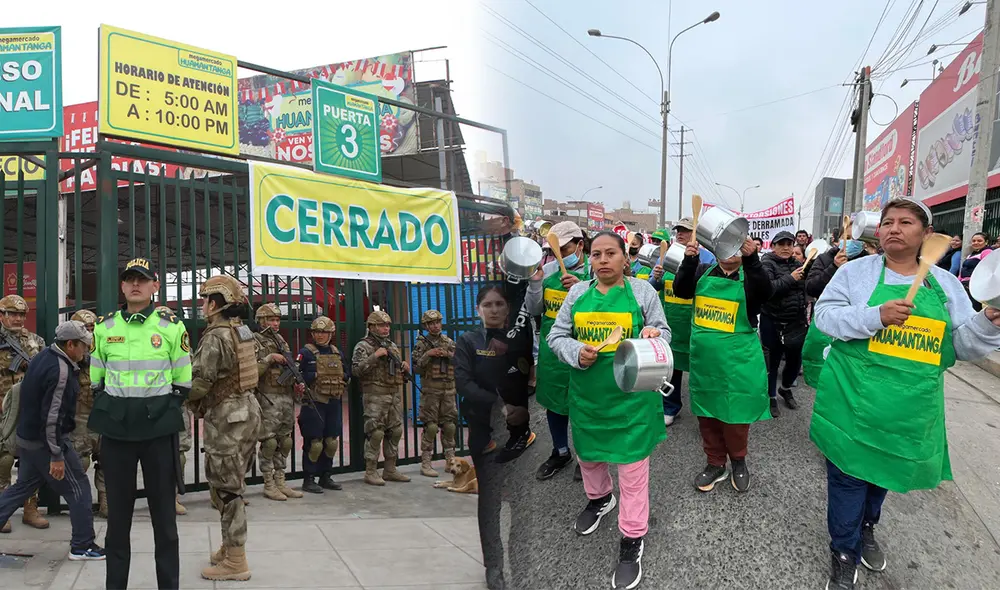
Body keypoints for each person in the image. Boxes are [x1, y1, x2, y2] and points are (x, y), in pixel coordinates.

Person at [810, 199, 1000, 590]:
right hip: (852, 403)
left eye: (906, 222)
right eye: (887, 222)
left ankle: (867, 529)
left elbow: (962, 345)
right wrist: (873, 316)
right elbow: (824, 316)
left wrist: (986, 322)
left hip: (908, 410)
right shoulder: (856, 274)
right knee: (847, 479)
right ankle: (843, 550)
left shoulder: (945, 284)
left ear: (926, 235)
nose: (894, 228)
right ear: (877, 231)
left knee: (882, 476)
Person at [548, 231, 671, 590]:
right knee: (589, 457)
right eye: (597, 254)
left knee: (633, 472)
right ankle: (600, 499)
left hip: (632, 400)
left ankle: (632, 538)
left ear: (624, 258)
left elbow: (664, 334)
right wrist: (576, 352)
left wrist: (652, 335)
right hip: (589, 397)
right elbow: (557, 336)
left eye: (610, 254)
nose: (602, 260)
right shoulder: (577, 294)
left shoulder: (643, 292)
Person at [88, 258, 192, 590]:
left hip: (157, 431)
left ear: (154, 286)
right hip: (118, 431)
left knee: (165, 520)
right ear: (122, 286)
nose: (136, 284)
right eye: (130, 279)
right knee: (118, 522)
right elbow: (95, 380)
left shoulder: (171, 327)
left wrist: (161, 410)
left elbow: (183, 380)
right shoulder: (104, 328)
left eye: (142, 280)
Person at [674, 237, 772, 493]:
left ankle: (738, 461)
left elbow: (765, 292)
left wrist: (752, 260)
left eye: (738, 247)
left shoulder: (750, 275)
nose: (731, 251)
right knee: (707, 415)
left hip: (738, 362)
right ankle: (715, 463)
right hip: (706, 362)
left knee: (736, 417)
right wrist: (689, 260)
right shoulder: (701, 272)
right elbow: (681, 290)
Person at [0, 321, 105, 559]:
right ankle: (82, 546)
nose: (86, 351)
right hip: (46, 444)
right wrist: (56, 455)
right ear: (70, 345)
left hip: (28, 440)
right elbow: (52, 418)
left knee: (23, 487)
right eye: (84, 346)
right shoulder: (61, 371)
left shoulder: (43, 356)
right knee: (79, 489)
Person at [455, 285, 534, 590]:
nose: (494, 309)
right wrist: (500, 407)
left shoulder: (520, 340)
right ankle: (494, 568)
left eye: (500, 303)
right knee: (491, 502)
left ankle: (521, 560)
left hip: (524, 432)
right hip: (485, 432)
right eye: (487, 304)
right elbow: (464, 384)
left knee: (521, 501)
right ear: (478, 309)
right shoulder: (468, 341)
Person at [185, 275, 262, 581]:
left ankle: (237, 560)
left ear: (214, 304)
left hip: (227, 420)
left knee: (227, 491)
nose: (202, 306)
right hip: (246, 413)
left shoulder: (215, 336)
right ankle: (229, 547)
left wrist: (177, 393)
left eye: (204, 300)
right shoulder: (241, 330)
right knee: (228, 486)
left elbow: (200, 381)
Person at [525, 221, 589, 481]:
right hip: (553, 356)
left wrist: (582, 289)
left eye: (566, 248)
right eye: (556, 250)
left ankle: (588, 457)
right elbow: (534, 310)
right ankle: (560, 451)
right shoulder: (548, 273)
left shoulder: (595, 276)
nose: (561, 255)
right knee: (555, 405)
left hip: (584, 354)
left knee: (583, 407)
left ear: (580, 246)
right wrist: (536, 284)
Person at [0, 294, 49, 533]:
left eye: (21, 314)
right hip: (3, 409)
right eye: (12, 314)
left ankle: (31, 508)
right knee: (4, 459)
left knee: (32, 459)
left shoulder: (35, 341)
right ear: (2, 316)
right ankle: (3, 510)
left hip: (29, 407)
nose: (17, 319)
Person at [352, 310, 412, 486]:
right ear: (371, 327)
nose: (386, 328)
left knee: (396, 431)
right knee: (375, 433)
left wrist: (404, 367)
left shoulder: (392, 345)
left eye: (387, 325)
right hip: (375, 395)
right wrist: (375, 356)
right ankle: (371, 471)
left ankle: (390, 469)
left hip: (393, 393)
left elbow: (397, 370)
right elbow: (356, 370)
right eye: (381, 325)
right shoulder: (363, 346)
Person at [650, 219, 699, 428]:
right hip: (671, 322)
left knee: (699, 368)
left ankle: (704, 410)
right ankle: (670, 407)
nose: (680, 234)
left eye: (686, 231)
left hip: (694, 323)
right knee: (671, 368)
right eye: (678, 230)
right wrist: (656, 277)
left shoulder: (705, 257)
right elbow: (653, 288)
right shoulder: (666, 256)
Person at [253, 303, 304, 501]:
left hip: (285, 397)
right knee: (269, 441)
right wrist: (269, 358)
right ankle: (268, 483)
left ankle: (280, 480)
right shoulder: (255, 340)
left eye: (277, 320)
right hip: (268, 397)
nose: (275, 323)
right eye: (272, 320)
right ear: (262, 321)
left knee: (285, 440)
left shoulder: (281, 341)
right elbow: (252, 371)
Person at [802, 234, 866, 389]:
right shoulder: (825, 259)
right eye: (848, 237)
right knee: (825, 375)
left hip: (859, 325)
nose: (852, 241)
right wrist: (833, 267)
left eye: (856, 237)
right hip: (828, 322)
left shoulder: (869, 261)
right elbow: (811, 287)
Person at [296, 315, 348, 492]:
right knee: (314, 443)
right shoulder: (306, 353)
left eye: (324, 332)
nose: (320, 336)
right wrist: (314, 376)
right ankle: (309, 479)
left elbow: (346, 374)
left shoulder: (336, 352)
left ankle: (326, 476)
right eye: (317, 332)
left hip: (333, 402)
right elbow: (296, 374)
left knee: (331, 442)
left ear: (331, 334)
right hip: (314, 403)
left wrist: (338, 379)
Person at [759, 231, 809, 416]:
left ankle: (785, 388)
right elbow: (768, 290)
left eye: (789, 244)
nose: (786, 248)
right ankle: (771, 396)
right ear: (773, 246)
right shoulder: (767, 263)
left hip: (795, 322)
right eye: (782, 244)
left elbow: (809, 286)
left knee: (795, 360)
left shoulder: (799, 264)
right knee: (772, 361)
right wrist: (792, 278)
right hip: (772, 320)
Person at [66, 310, 107, 520]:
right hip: (79, 416)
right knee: (80, 461)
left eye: (92, 329)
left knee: (108, 459)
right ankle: (79, 502)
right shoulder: (70, 354)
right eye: (85, 330)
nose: (90, 334)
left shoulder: (106, 349)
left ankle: (106, 501)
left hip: (103, 414)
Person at [411, 310, 458, 478]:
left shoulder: (449, 342)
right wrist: (428, 355)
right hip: (431, 391)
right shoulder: (421, 344)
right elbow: (416, 368)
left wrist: (448, 354)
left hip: (449, 390)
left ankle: (450, 460)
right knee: (430, 426)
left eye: (437, 322)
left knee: (450, 425)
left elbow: (460, 362)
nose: (435, 325)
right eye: (431, 323)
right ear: (426, 326)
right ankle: (426, 462)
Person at [155, 305, 190, 517]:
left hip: (176, 406)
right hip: (154, 407)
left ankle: (173, 495)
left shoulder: (181, 343)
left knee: (180, 454)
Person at [959, 232, 993, 311]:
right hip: (964, 285)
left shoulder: (987, 252)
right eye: (973, 241)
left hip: (974, 286)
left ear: (986, 242)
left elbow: (987, 269)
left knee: (973, 309)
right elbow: (962, 271)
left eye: (979, 241)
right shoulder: (970, 255)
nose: (976, 243)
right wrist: (958, 283)